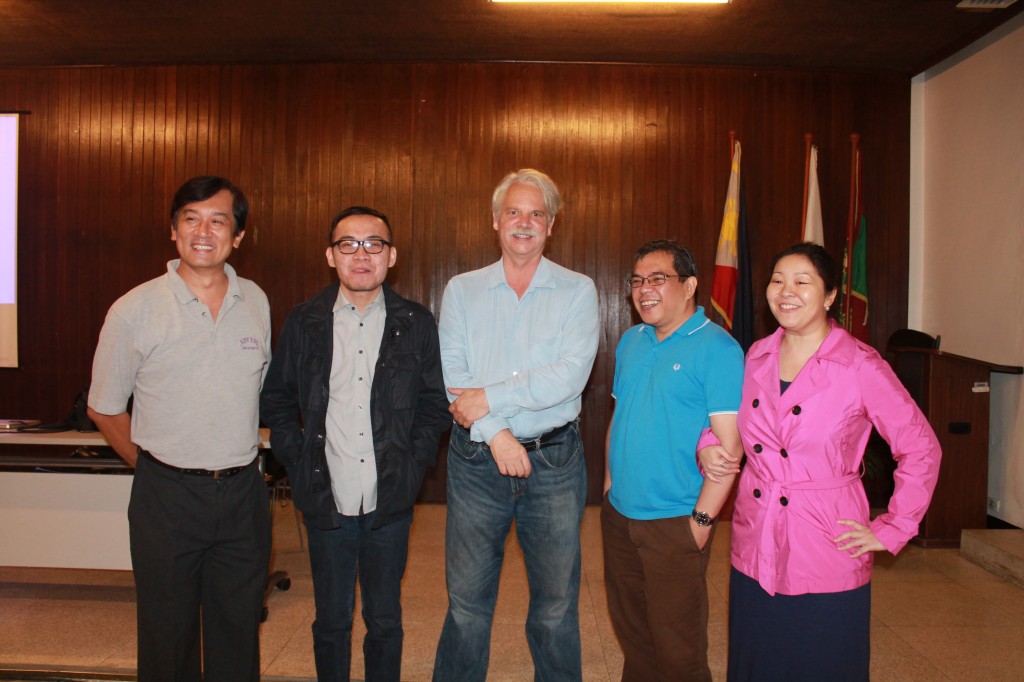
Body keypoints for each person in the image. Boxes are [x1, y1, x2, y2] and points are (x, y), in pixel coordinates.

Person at [701, 242, 941, 681]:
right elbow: (724, 418)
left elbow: (921, 446)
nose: (786, 291)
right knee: (758, 660)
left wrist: (894, 525)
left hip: (825, 539)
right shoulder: (756, 355)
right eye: (777, 280)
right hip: (756, 535)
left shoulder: (860, 365)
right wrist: (708, 444)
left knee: (821, 661)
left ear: (830, 295)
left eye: (802, 281)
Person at [86, 176, 272, 681]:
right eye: (191, 219)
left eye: (218, 221)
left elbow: (254, 390)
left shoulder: (256, 301)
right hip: (165, 498)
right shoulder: (133, 309)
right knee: (167, 638)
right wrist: (155, 468)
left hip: (242, 496)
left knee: (238, 633)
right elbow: (104, 407)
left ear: (238, 236)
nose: (203, 232)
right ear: (173, 230)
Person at [259, 206, 451, 682]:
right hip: (326, 493)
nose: (361, 255)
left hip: (390, 495)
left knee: (384, 619)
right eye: (348, 244)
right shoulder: (304, 321)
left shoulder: (417, 322)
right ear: (331, 256)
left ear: (391, 256)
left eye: (373, 244)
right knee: (331, 621)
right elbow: (276, 399)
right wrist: (297, 457)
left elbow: (434, 403)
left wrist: (414, 462)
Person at [432, 169, 600, 682]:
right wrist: (499, 435)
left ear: (551, 225)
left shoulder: (577, 290)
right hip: (476, 460)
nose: (524, 223)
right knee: (467, 603)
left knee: (555, 606)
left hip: (555, 462)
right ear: (495, 220)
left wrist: (492, 399)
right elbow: (455, 381)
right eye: (514, 212)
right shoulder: (462, 290)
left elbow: (569, 376)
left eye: (536, 214)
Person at [602, 239, 744, 682]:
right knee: (635, 637)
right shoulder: (632, 340)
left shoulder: (718, 349)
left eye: (658, 279)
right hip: (620, 514)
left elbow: (731, 446)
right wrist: (609, 485)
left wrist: (700, 522)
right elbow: (619, 415)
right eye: (637, 280)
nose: (644, 289)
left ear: (690, 286)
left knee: (678, 648)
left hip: (675, 519)